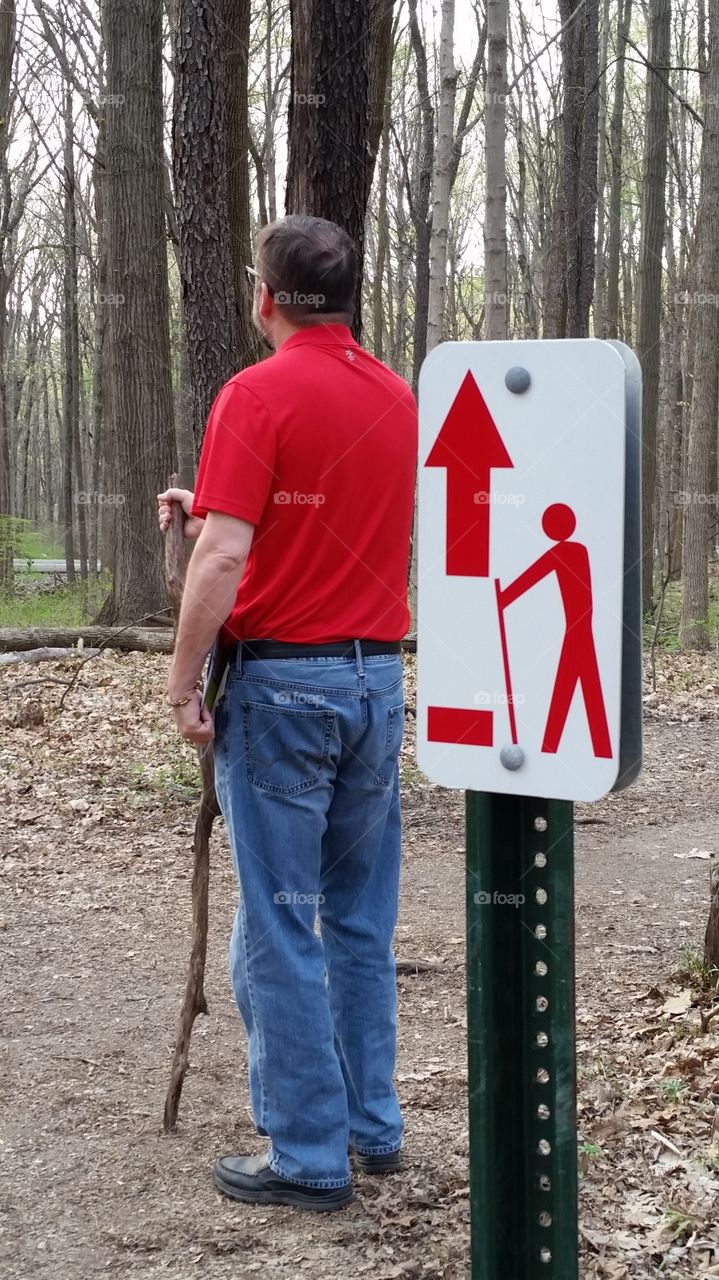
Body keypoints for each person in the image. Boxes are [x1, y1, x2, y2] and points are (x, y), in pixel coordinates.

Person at [157, 215, 418, 1211]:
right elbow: (311, 517)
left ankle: (307, 1155)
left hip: (286, 692)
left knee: (277, 923)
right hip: (372, 685)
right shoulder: (396, 396)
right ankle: (369, 1125)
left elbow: (225, 557)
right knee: (356, 917)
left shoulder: (255, 393)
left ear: (264, 297)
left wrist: (180, 682)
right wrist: (215, 498)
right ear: (344, 296)